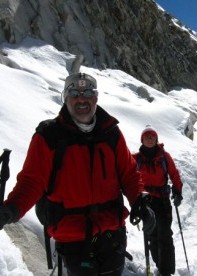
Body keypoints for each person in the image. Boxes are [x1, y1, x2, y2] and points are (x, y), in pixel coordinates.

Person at [0, 72, 155, 276]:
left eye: (88, 92)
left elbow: (128, 174)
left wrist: (139, 203)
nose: (81, 98)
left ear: (96, 98)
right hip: (72, 237)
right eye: (74, 92)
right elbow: (32, 181)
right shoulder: (48, 137)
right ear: (66, 98)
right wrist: (11, 209)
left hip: (112, 234)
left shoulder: (111, 133)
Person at [133, 125, 183, 276]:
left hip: (162, 200)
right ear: (142, 140)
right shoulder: (135, 158)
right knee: (152, 235)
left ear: (156, 139)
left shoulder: (164, 157)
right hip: (146, 201)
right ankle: (159, 264)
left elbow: (174, 173)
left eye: (152, 136)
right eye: (147, 137)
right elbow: (127, 174)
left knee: (165, 234)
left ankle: (166, 271)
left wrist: (178, 190)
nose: (150, 139)